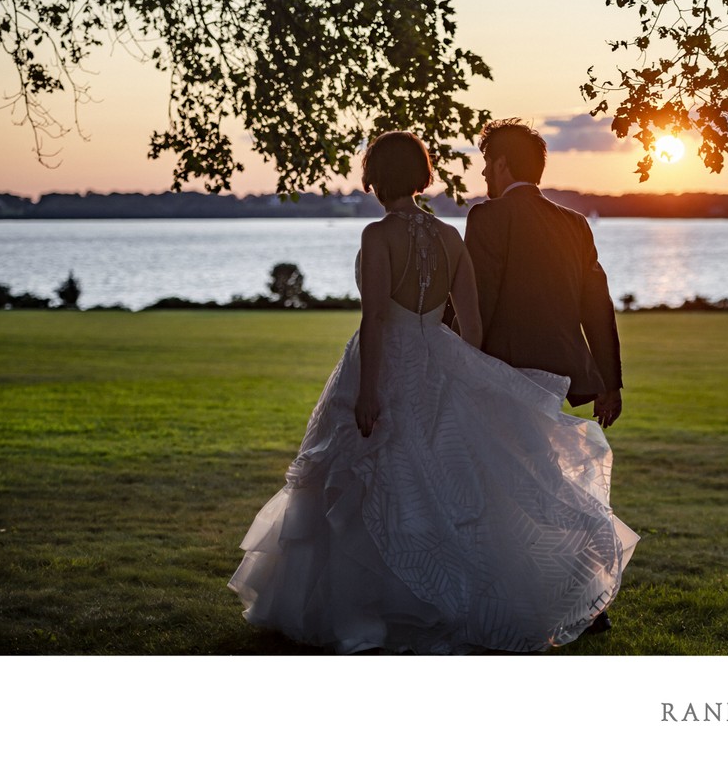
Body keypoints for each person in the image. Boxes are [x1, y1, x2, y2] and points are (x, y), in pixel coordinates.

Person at [228, 131, 638, 654]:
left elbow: (405, 313)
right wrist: (468, 372)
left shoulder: (423, 229)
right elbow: (516, 317)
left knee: (436, 481)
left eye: (489, 162)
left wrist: (396, 372)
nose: (484, 172)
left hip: (444, 361)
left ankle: (533, 590)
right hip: (499, 368)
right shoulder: (511, 229)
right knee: (506, 483)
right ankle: (552, 586)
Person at [447, 118, 623, 429]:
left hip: (500, 372)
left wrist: (450, 362)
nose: (484, 172)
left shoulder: (487, 216)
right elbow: (597, 307)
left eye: (487, 163)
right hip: (557, 377)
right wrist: (609, 383)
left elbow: (478, 297)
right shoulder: (575, 223)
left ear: (501, 164)